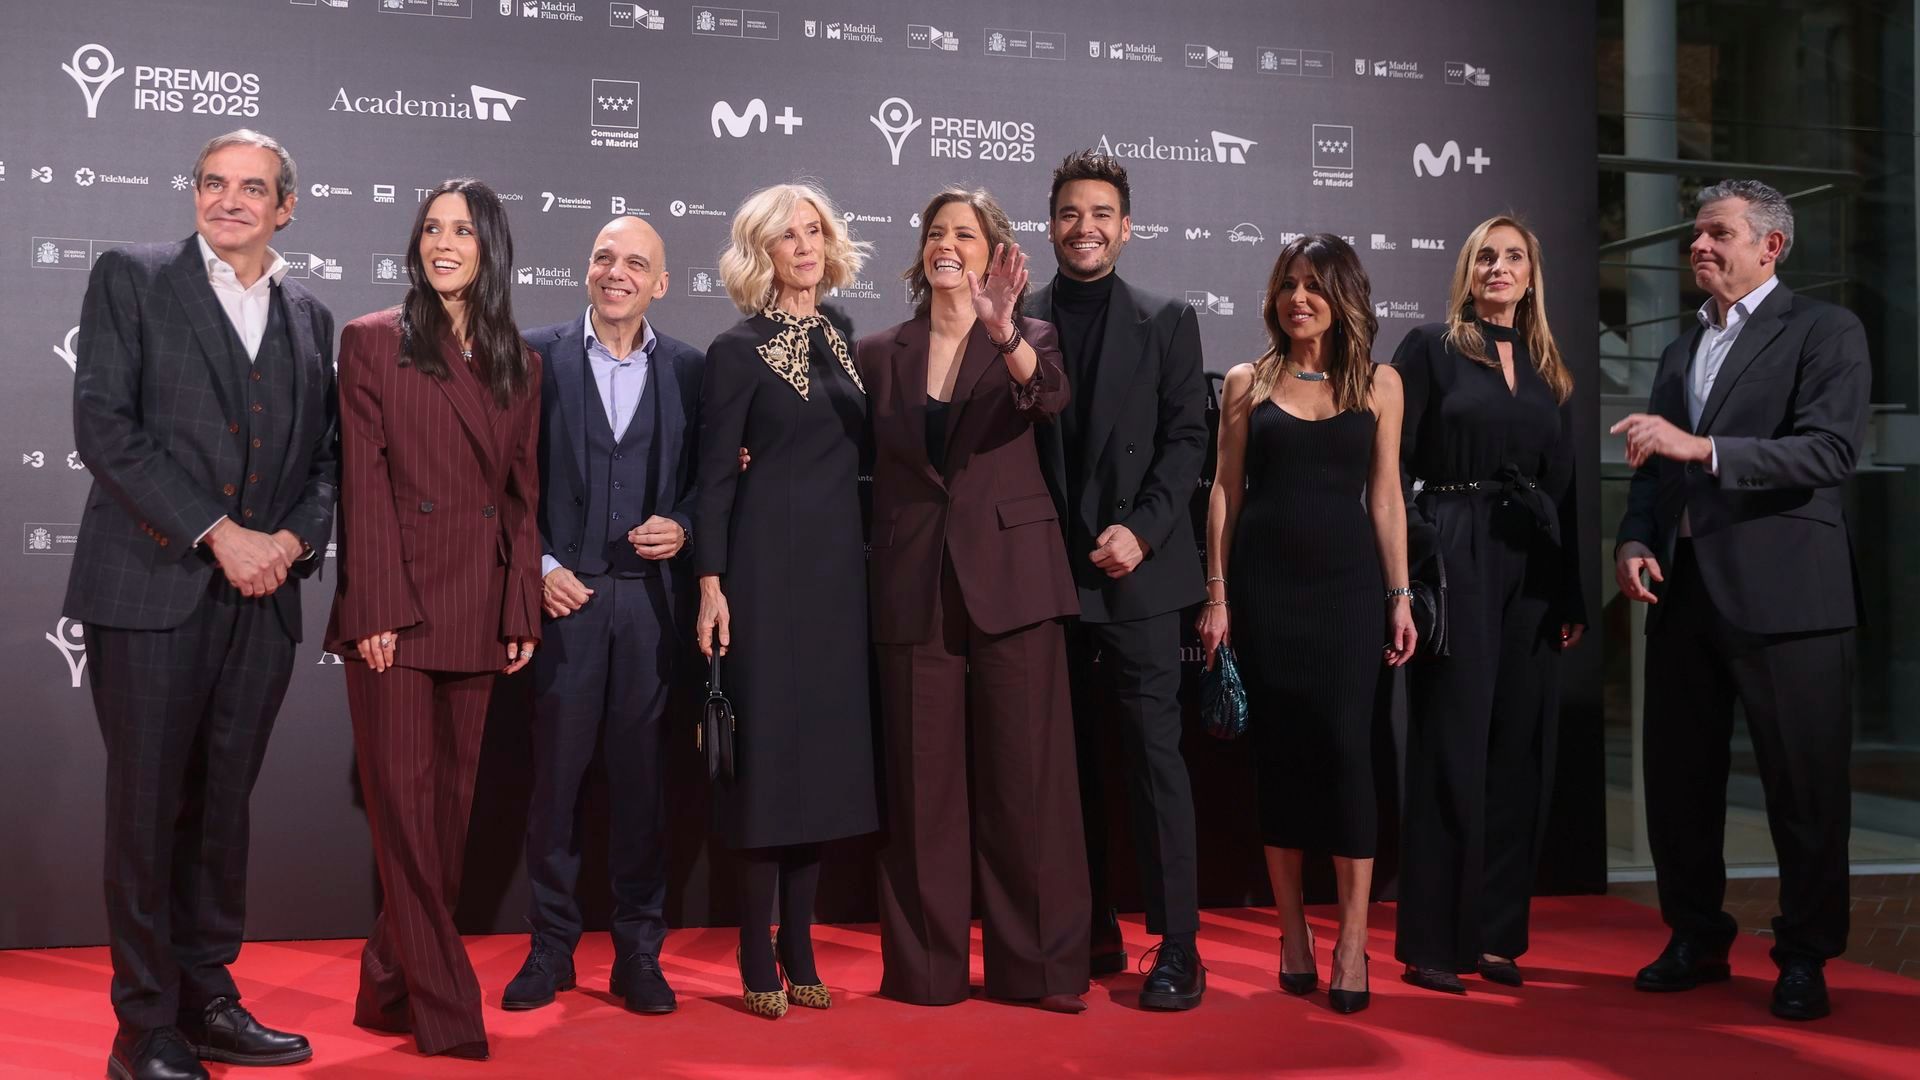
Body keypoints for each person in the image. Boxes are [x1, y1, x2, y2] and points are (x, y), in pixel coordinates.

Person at [67, 128, 333, 1080]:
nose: (229, 200)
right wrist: (221, 534)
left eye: (252, 187)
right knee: (146, 812)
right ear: (195, 195)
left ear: (285, 206)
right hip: (151, 590)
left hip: (261, 604)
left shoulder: (311, 315)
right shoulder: (131, 277)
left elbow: (326, 464)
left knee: (222, 810)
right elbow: (105, 427)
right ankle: (143, 1029)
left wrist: (294, 542)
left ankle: (206, 999)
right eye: (214, 184)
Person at [1613, 180, 1870, 1022]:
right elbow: (1654, 463)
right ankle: (1696, 937)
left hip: (1791, 600)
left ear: (1772, 246)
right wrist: (1635, 537)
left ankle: (1803, 956)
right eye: (1696, 234)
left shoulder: (1826, 331)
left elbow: (1829, 451)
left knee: (1805, 793)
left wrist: (1706, 446)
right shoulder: (1682, 348)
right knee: (1680, 783)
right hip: (1685, 595)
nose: (1700, 247)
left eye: (1718, 233)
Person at [324, 178, 542, 1059]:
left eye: (460, 230)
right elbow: (363, 482)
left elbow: (522, 496)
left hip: (481, 605)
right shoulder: (373, 342)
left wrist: (521, 599)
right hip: (397, 611)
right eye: (429, 229)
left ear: (490, 245)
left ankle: (385, 989)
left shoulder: (520, 362)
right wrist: (373, 602)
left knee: (446, 819)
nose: (442, 243)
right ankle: (448, 1008)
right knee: (407, 821)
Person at [858, 188, 1090, 1014]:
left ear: (995, 253)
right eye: (935, 232)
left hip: (1013, 582)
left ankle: (1041, 972)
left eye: (965, 233)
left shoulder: (1029, 337)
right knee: (923, 793)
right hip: (914, 585)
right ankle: (926, 972)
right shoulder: (880, 348)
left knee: (1028, 788)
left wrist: (1003, 331)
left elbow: (1051, 399)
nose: (947, 244)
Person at [1197, 235, 1413, 1015]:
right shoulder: (1247, 382)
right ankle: (1293, 934)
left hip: (1349, 593)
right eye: (1288, 284)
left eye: (1314, 286)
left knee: (1350, 758)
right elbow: (1224, 491)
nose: (1298, 298)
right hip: (1264, 592)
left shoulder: (1379, 384)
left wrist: (1401, 595)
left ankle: (1353, 939)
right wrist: (1217, 593)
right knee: (1280, 760)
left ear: (1342, 294)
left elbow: (1386, 497)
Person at [1023, 150, 1210, 1009]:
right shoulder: (1017, 322)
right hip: (1046, 585)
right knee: (1067, 771)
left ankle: (1178, 947)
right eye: (1069, 212)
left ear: (1126, 227)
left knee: (1153, 765)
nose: (1085, 226)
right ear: (1050, 222)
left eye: (1101, 213)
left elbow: (1186, 443)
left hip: (1139, 578)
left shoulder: (1169, 319)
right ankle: (1088, 926)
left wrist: (1142, 531)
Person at [505, 216, 704, 1016]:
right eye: (604, 258)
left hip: (651, 609)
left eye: (636, 264)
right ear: (587, 270)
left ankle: (637, 954)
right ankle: (549, 952)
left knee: (642, 785)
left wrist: (684, 524)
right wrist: (541, 565)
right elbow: (501, 481)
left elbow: (709, 479)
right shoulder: (533, 356)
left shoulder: (691, 370)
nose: (616, 272)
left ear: (660, 284)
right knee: (554, 785)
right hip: (565, 601)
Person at [691, 182, 879, 1020]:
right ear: (759, 253)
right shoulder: (735, 350)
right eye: (785, 237)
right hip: (764, 572)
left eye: (813, 232)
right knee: (769, 764)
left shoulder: (844, 338)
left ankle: (800, 945)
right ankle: (751, 946)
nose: (804, 247)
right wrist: (710, 584)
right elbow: (711, 481)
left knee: (823, 768)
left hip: (839, 578)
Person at [1391, 214, 1586, 995]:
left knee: (1517, 751)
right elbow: (1390, 468)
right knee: (1451, 742)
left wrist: (1569, 589)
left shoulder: (1549, 369)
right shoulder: (1430, 349)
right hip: (1455, 548)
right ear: (1468, 273)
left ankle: (1498, 934)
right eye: (1485, 257)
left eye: (1513, 258)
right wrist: (1415, 564)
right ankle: (1435, 942)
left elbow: (1565, 488)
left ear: (1532, 275)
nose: (1499, 268)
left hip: (1531, 566)